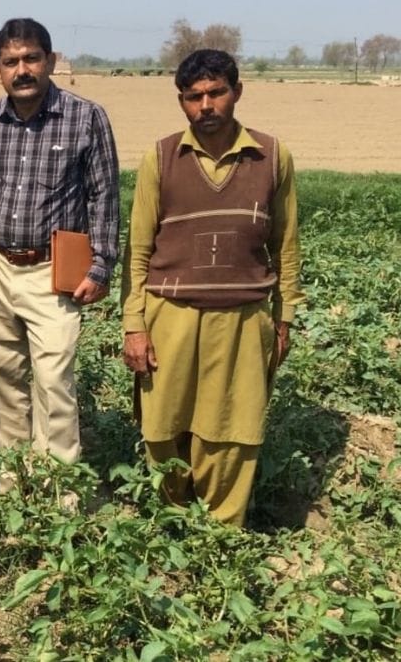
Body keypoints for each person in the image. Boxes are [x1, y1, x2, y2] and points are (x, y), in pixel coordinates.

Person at [120, 49, 303, 527]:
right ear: (181, 102)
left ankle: (222, 534)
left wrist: (283, 318)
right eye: (193, 97)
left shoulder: (271, 156)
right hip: (170, 312)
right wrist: (133, 325)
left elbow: (286, 245)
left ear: (236, 92)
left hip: (243, 317)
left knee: (233, 431)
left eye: (216, 92)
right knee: (163, 427)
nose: (206, 105)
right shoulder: (160, 157)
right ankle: (173, 522)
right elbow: (138, 249)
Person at [0, 18, 120, 491]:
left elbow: (104, 196)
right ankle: (15, 481)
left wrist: (101, 264)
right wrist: (2, 226)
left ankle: (59, 493)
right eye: (11, 62)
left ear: (50, 61)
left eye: (32, 58)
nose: (22, 69)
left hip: (55, 269)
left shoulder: (85, 118)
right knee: (1, 373)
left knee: (53, 380)